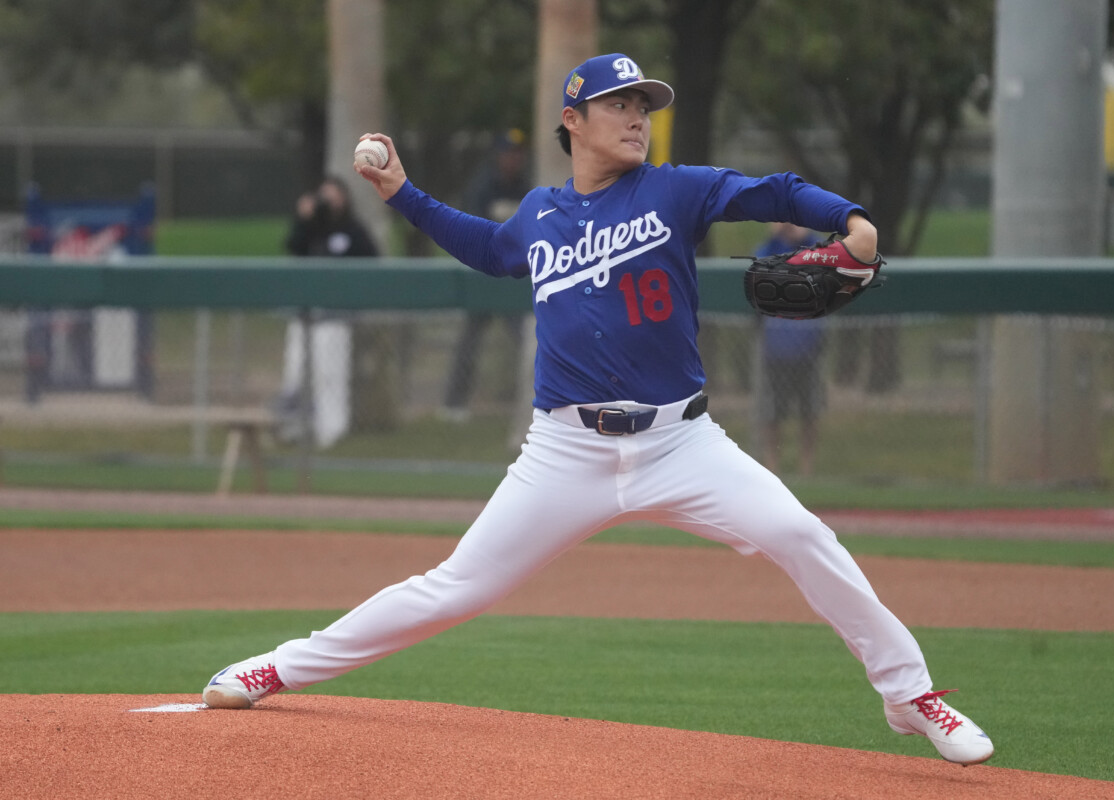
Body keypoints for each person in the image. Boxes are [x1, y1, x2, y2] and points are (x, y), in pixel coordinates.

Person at [202, 54, 993, 767]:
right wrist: (402, 194)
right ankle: (276, 666)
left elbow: (774, 192)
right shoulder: (540, 215)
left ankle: (909, 695)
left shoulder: (672, 189)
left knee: (801, 535)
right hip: (564, 452)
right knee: (455, 587)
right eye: (618, 104)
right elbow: (488, 249)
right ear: (572, 121)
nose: (636, 118)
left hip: (682, 442)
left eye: (642, 105)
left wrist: (851, 219)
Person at [277, 176, 379, 448]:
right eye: (324, 195)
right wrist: (303, 218)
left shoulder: (352, 229)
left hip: (336, 318)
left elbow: (372, 260)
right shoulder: (310, 228)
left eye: (334, 195)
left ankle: (332, 431)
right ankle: (295, 428)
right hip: (304, 315)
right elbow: (292, 246)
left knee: (330, 375)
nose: (328, 201)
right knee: (296, 373)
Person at [439, 129, 531, 421]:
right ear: (498, 155)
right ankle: (454, 403)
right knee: (470, 340)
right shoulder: (482, 186)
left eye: (517, 154)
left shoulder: (525, 188)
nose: (512, 159)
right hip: (483, 276)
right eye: (508, 153)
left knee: (525, 339)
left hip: (512, 279)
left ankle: (530, 400)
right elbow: (470, 231)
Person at [756, 223, 826, 475]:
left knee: (809, 412)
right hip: (776, 350)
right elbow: (758, 267)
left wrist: (803, 236)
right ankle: (772, 466)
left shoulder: (815, 246)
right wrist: (775, 238)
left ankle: (806, 468)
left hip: (808, 349)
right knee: (773, 413)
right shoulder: (770, 250)